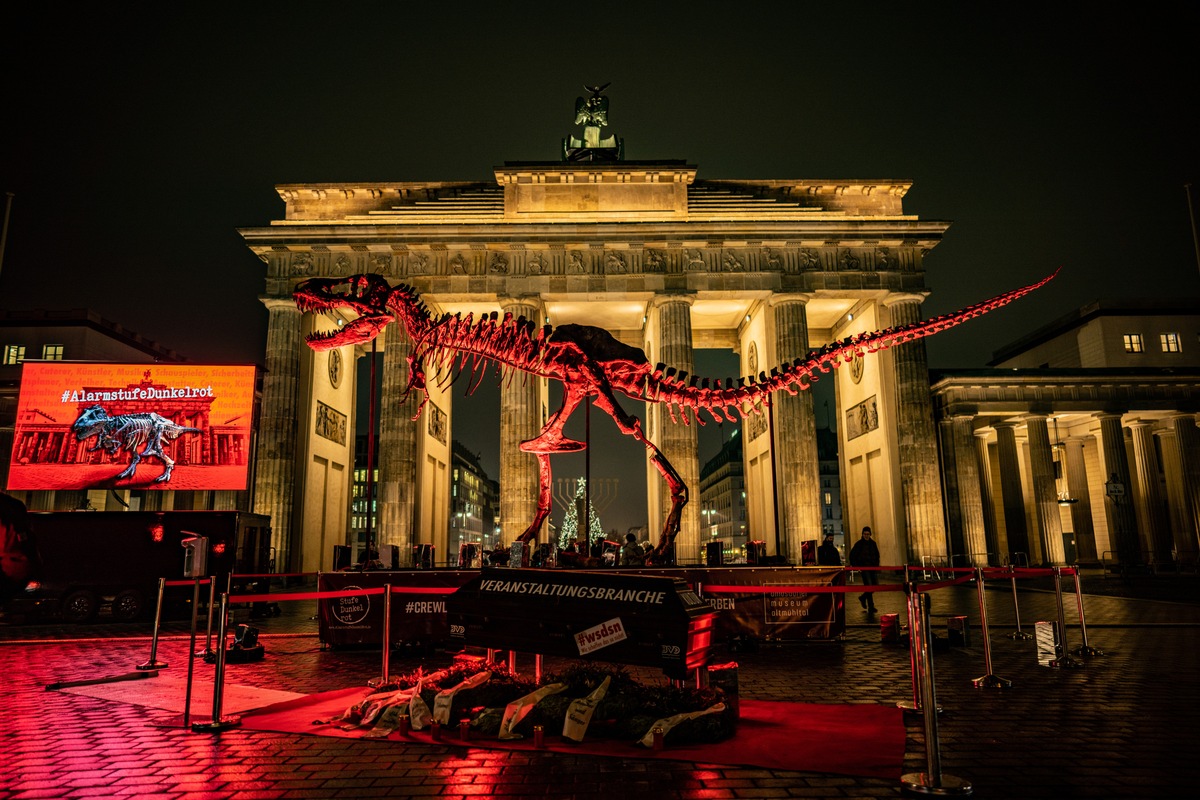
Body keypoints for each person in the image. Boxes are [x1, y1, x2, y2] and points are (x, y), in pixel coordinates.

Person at [849, 525, 880, 613]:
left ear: (870, 534)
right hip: (864, 568)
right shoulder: (858, 544)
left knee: (874, 586)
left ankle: (863, 598)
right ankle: (871, 606)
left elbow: (877, 555)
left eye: (868, 534)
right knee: (869, 586)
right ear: (862, 534)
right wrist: (856, 566)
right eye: (865, 534)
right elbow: (852, 555)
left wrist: (876, 565)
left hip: (872, 567)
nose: (866, 535)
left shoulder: (873, 543)